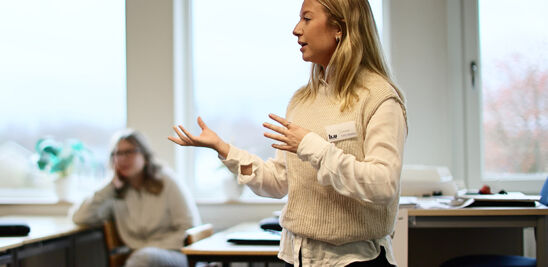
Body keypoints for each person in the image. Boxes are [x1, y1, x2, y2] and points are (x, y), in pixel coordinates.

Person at [169, 0, 407, 266]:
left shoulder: (380, 98)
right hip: (297, 258)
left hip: (356, 259)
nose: (296, 29)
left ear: (339, 27)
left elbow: (383, 185)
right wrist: (224, 149)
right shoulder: (302, 100)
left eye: (306, 18)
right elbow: (279, 181)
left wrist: (311, 145)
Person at [72, 129, 200, 267]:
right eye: (117, 153)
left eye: (128, 152)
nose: (122, 159)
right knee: (143, 258)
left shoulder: (167, 181)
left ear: (144, 155)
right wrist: (109, 186)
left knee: (144, 257)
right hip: (140, 258)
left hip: (176, 254)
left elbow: (189, 228)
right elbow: (80, 217)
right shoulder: (115, 192)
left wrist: (150, 248)